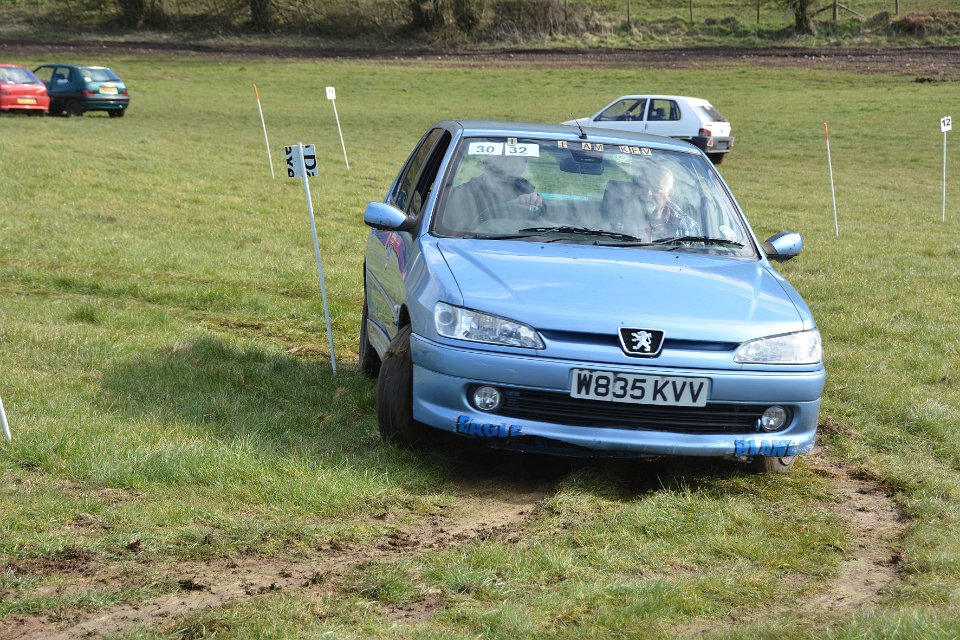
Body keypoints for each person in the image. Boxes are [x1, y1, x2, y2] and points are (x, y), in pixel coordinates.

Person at [442, 153, 543, 232]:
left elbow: (545, 229)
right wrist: (510, 206)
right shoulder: (461, 195)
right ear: (487, 166)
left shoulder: (527, 191)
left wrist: (537, 204)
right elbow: (457, 235)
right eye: (499, 173)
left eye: (522, 161)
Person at [642, 166, 701, 240]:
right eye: (644, 187)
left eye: (656, 189)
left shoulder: (688, 227)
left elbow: (697, 251)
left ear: (669, 194)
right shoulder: (624, 219)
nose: (648, 193)